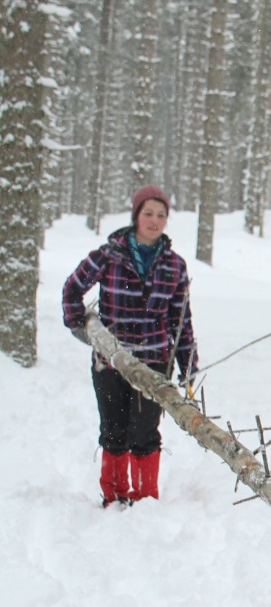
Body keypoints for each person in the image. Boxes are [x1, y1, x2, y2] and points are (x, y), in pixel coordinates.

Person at [63, 185, 198, 507]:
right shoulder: (109, 255)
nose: (154, 220)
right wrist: (82, 328)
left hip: (154, 361)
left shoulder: (174, 266)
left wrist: (188, 367)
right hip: (110, 359)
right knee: (114, 430)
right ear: (136, 215)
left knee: (145, 433)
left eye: (161, 215)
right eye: (148, 213)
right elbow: (72, 288)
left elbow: (181, 321)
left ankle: (145, 499)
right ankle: (114, 495)